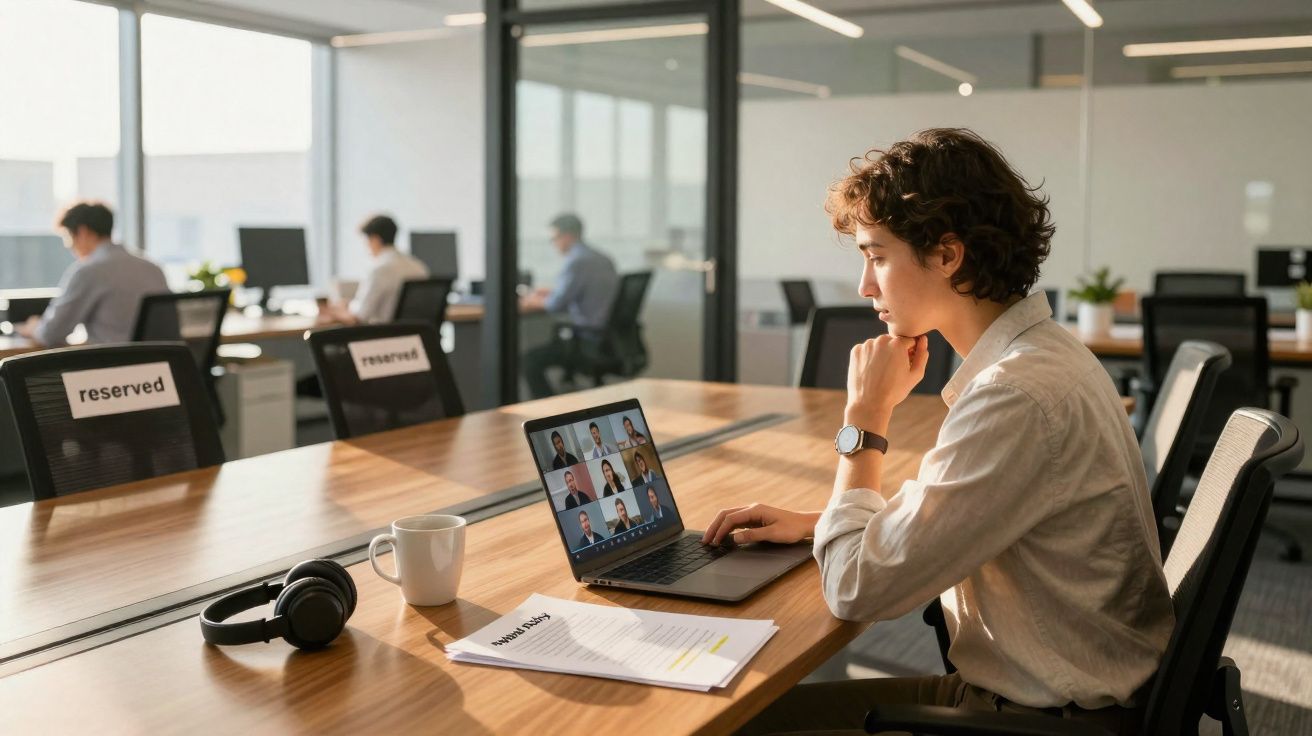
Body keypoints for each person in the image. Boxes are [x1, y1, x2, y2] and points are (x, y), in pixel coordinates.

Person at [705, 128, 1173, 735]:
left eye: (876, 256)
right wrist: (824, 524)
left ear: (948, 255)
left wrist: (865, 422)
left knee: (731, 724)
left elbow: (854, 588)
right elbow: (954, 510)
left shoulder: (1014, 396)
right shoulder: (1040, 357)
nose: (864, 286)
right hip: (1040, 690)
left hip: (1034, 717)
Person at [19, 201, 167, 347]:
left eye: (68, 237)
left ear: (83, 232)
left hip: (112, 364)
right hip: (156, 365)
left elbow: (51, 334)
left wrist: (33, 327)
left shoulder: (89, 271)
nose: (69, 246)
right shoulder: (153, 268)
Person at [521, 214, 620, 398]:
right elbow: (586, 294)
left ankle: (547, 414)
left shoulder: (576, 261)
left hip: (583, 339)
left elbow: (555, 305)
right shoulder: (602, 258)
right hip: (604, 338)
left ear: (567, 236)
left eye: (554, 238)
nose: (554, 244)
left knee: (528, 361)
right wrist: (551, 292)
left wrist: (530, 299)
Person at [319, 214, 428, 325]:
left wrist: (334, 312)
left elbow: (361, 316)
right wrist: (350, 304)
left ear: (375, 239)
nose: (367, 246)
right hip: (415, 336)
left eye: (367, 240)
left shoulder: (380, 270)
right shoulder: (419, 267)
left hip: (384, 336)